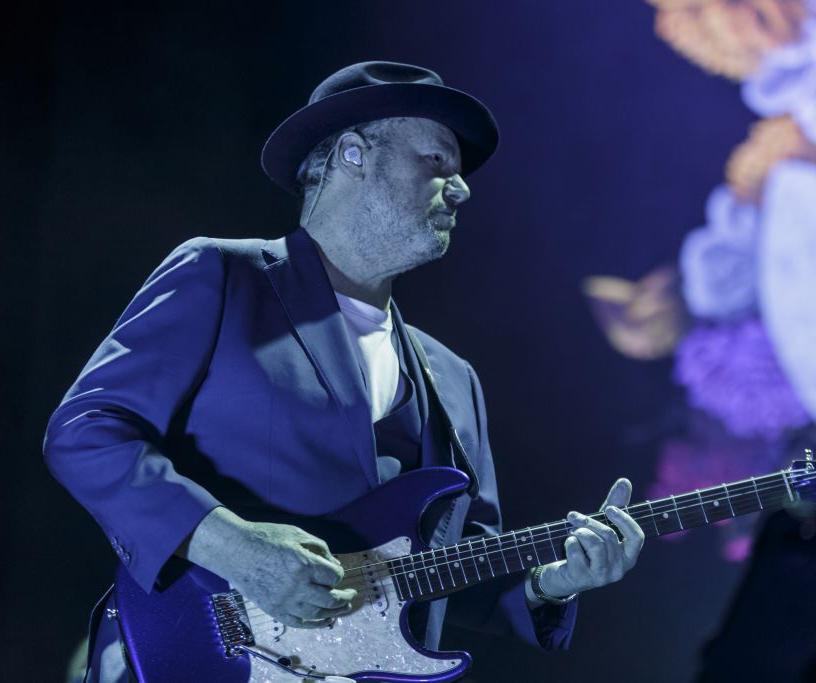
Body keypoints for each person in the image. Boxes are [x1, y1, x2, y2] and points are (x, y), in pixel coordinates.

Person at [45, 61, 645, 681]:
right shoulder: (225, 277)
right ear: (354, 155)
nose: (462, 188)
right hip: (195, 658)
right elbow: (85, 433)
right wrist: (234, 547)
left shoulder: (455, 379)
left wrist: (551, 582)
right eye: (437, 161)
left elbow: (450, 570)